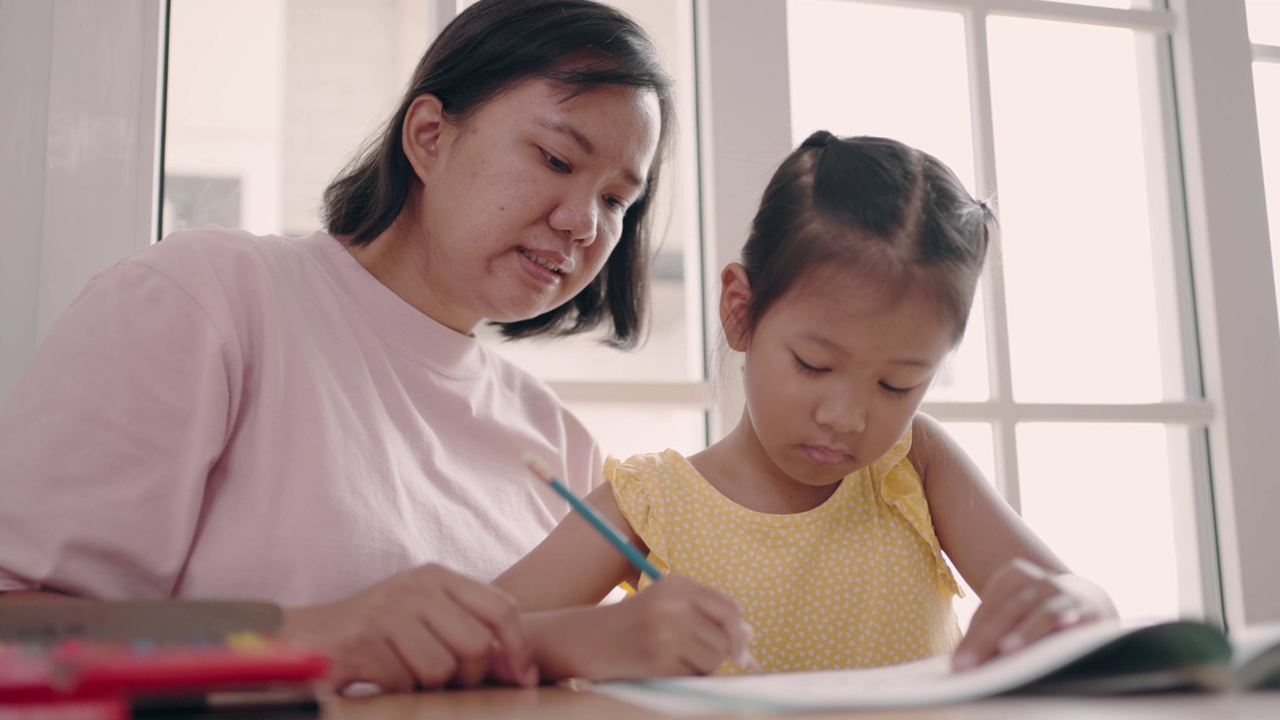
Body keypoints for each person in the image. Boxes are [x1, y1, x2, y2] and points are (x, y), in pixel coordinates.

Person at [0, 0, 751, 692]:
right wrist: (318, 638)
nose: (586, 224)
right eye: (557, 160)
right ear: (429, 136)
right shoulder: (207, 299)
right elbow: (16, 639)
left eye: (618, 199)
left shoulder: (559, 441)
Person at [496, 130, 1118, 674]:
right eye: (814, 365)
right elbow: (479, 640)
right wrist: (595, 641)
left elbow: (1090, 613)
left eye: (898, 385)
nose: (846, 416)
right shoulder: (650, 503)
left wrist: (1078, 604)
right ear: (741, 313)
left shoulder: (914, 461)